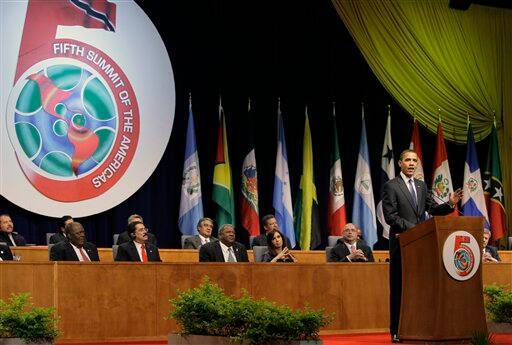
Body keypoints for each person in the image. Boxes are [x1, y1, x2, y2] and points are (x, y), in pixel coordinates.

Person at [382, 149, 462, 343]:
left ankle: (417, 327)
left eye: (414, 160)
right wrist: (416, 229)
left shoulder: (421, 185)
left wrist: (449, 205)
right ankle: (396, 330)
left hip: (421, 245)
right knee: (400, 287)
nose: (411, 163)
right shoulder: (391, 186)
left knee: (421, 288)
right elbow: (390, 216)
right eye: (407, 160)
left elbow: (432, 208)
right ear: (400, 163)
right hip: (402, 243)